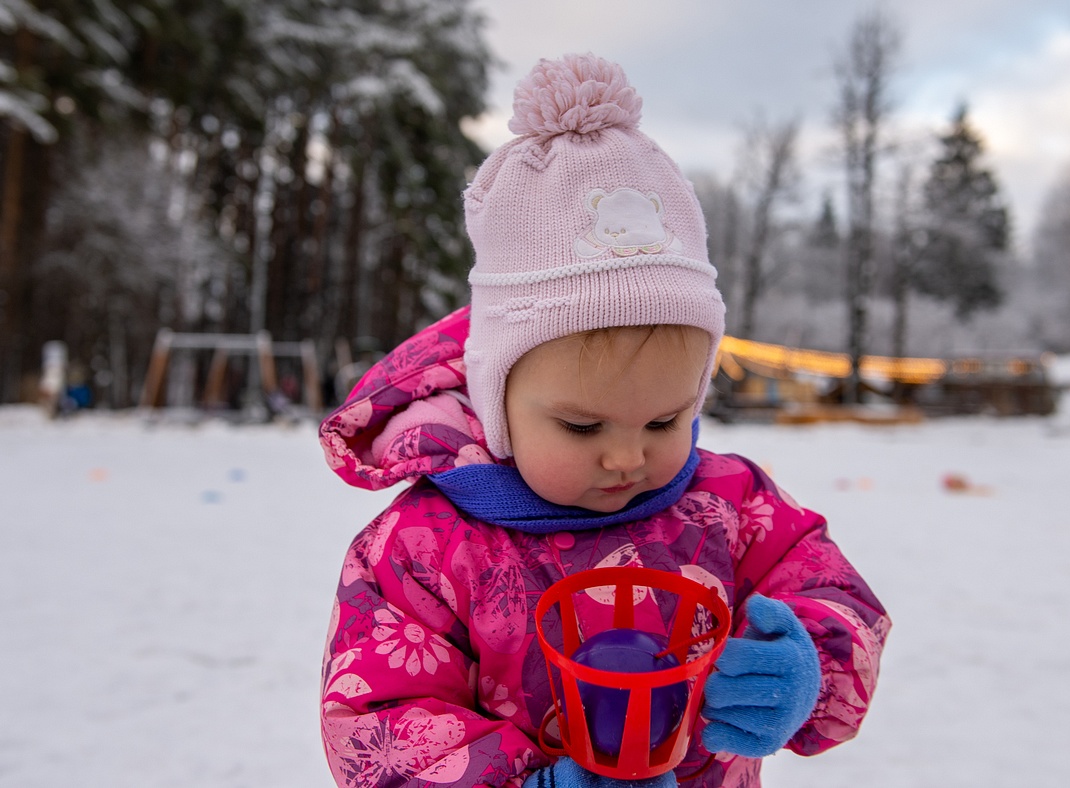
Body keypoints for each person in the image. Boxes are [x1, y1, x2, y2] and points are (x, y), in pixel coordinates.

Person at [318, 53, 890, 788]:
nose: (628, 458)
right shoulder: (421, 551)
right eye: (583, 428)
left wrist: (807, 669)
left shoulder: (731, 508)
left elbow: (834, 595)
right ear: (498, 403)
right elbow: (378, 728)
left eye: (665, 420)